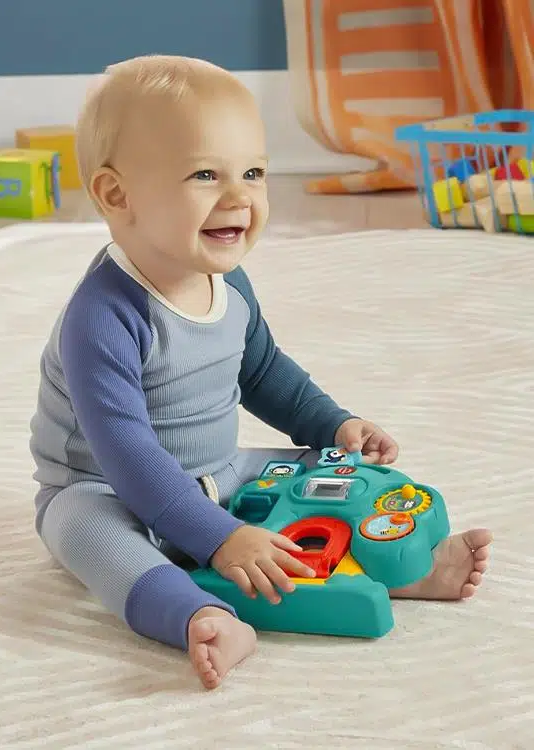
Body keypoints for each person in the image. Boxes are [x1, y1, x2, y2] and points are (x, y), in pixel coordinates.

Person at [29, 55, 492, 690]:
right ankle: (198, 615)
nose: (239, 198)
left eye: (253, 173)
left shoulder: (230, 283)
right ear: (117, 194)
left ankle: (400, 566)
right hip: (106, 488)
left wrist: (333, 426)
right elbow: (128, 456)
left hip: (218, 469)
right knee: (91, 541)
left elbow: (265, 371)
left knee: (332, 472)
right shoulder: (101, 318)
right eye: (205, 175)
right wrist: (220, 538)